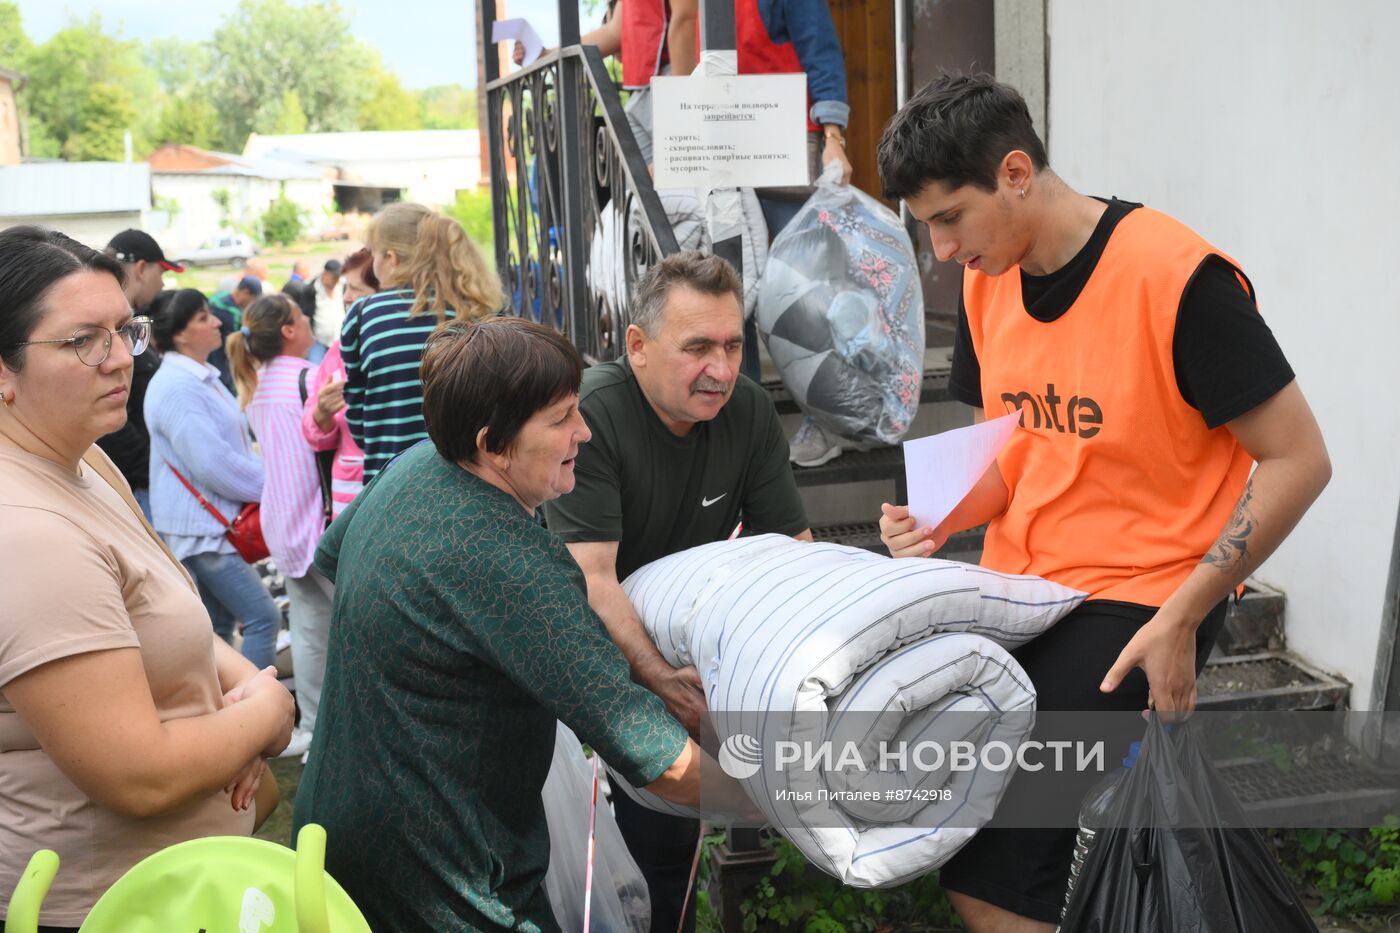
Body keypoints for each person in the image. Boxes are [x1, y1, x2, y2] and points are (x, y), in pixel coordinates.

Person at [874, 74, 1332, 932]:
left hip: (1145, 599)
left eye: (949, 217)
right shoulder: (988, 279)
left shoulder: (1177, 277)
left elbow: (1300, 459)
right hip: (1024, 591)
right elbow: (1014, 456)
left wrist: (1188, 612)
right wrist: (941, 513)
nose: (941, 251)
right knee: (966, 836)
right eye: (925, 224)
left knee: (998, 863)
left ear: (1015, 172)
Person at [292, 317, 753, 931]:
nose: (584, 433)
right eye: (562, 419)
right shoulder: (510, 563)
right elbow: (660, 759)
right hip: (446, 881)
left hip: (336, 833)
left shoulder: (419, 464)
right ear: (493, 442)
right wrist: (777, 801)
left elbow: (332, 559)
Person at [0, 226, 294, 931]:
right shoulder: (27, 529)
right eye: (82, 341)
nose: (119, 361)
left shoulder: (88, 464)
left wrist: (234, 712)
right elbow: (140, 773)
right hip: (107, 907)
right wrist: (266, 713)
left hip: (177, 888)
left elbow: (182, 630)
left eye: (123, 331)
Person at [542, 251, 811, 933]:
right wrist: (661, 678)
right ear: (637, 344)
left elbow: (794, 548)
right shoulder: (594, 413)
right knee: (604, 852)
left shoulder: (746, 410)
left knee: (673, 847)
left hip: (684, 650)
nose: (720, 369)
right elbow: (591, 578)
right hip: (582, 651)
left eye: (732, 345)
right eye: (697, 347)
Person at [144, 289, 284, 677]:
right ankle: (257, 716)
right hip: (205, 532)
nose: (218, 322)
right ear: (182, 334)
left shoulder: (198, 377)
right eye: (204, 317)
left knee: (217, 630)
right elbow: (214, 465)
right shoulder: (178, 385)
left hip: (210, 525)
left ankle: (220, 715)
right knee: (262, 618)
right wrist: (276, 486)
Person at [228, 293, 325, 764]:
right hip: (320, 522)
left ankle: (311, 727)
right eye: (303, 318)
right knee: (346, 631)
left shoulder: (256, 385)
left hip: (282, 522)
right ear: (289, 330)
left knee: (308, 633)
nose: (309, 324)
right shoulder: (309, 379)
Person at [341, 202, 504, 481]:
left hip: (391, 480)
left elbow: (355, 408)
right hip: (470, 479)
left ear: (391, 259)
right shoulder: (476, 309)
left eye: (374, 255)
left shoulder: (363, 314)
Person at [97, 229, 184, 519]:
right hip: (136, 486)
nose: (162, 283)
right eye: (162, 272)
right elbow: (108, 419)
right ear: (142, 269)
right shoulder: (110, 330)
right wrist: (150, 469)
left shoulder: (130, 326)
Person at [302, 249, 378, 520]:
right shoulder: (337, 352)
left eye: (355, 289)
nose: (346, 297)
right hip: (350, 498)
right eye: (346, 288)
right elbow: (314, 436)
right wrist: (322, 413)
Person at [207, 275, 262, 389]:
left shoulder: (216, 300)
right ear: (245, 293)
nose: (252, 303)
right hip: (225, 369)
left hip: (208, 363)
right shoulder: (235, 317)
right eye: (253, 298)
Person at [311, 257, 345, 350]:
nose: (336, 280)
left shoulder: (342, 286)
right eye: (334, 277)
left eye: (338, 277)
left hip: (339, 340)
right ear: (325, 274)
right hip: (318, 342)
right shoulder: (312, 289)